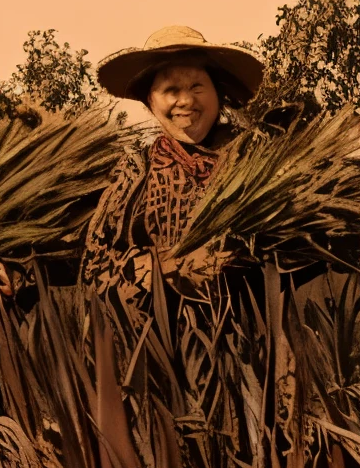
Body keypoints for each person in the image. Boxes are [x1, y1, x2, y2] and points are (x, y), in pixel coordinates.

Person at [81, 24, 263, 308]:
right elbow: (94, 267)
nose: (185, 101)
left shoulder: (257, 161)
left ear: (218, 93)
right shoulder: (133, 173)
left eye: (196, 86)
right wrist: (159, 268)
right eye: (170, 89)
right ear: (150, 101)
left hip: (247, 339)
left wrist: (232, 255)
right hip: (155, 344)